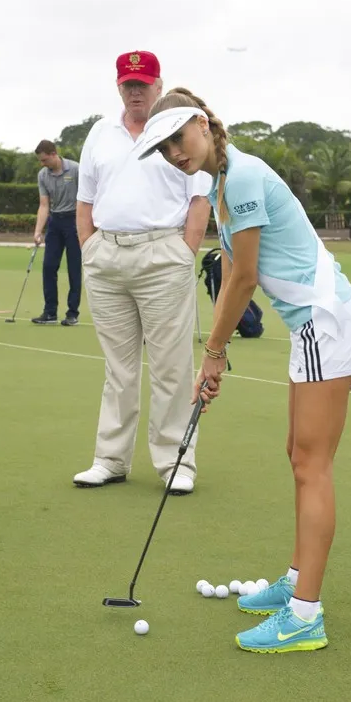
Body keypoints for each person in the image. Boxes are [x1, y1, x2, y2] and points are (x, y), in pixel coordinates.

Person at [135, 89, 351, 654]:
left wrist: (214, 352)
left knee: (312, 465)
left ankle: (304, 616)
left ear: (202, 122)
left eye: (177, 138)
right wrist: (215, 351)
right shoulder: (224, 182)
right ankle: (297, 581)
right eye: (163, 147)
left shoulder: (241, 177)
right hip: (311, 327)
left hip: (327, 322)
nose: (173, 153)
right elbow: (239, 274)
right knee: (297, 454)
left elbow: (243, 278)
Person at [73, 52, 211, 495]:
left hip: (162, 256)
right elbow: (86, 199)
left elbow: (199, 197)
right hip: (107, 257)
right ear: (118, 87)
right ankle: (110, 459)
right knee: (119, 369)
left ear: (158, 85)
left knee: (171, 367)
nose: (136, 91)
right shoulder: (100, 133)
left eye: (143, 84)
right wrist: (90, 247)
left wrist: (185, 251)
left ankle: (175, 462)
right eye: (128, 84)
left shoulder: (177, 130)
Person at [32, 140, 81, 326]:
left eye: (44, 160)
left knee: (74, 268)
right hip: (55, 222)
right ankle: (50, 312)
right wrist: (38, 231)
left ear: (54, 154)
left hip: (74, 221)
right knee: (49, 266)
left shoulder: (76, 169)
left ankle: (72, 313)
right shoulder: (43, 175)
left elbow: (86, 198)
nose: (42, 164)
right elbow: (44, 205)